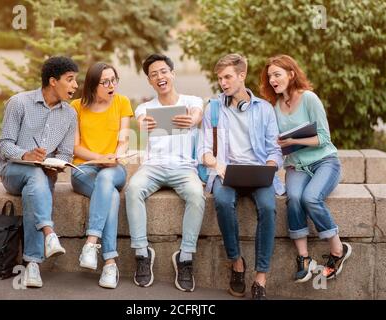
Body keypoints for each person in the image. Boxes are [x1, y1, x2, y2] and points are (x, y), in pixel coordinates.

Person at [259, 54, 351, 284]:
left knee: (310, 198)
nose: (272, 79)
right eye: (269, 76)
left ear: (291, 74)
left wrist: (291, 141)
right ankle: (304, 258)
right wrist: (278, 146)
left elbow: (323, 137)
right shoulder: (274, 107)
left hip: (324, 162)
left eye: (277, 74)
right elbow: (275, 146)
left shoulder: (309, 98)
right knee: (295, 197)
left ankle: (338, 250)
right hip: (296, 166)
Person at [199, 53, 284, 300]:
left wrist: (268, 169)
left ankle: (260, 277)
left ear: (242, 75)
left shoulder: (265, 109)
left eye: (227, 77)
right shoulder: (213, 109)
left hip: (258, 172)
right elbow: (204, 151)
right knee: (223, 202)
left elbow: (274, 150)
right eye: (220, 78)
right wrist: (219, 165)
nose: (223, 83)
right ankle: (237, 263)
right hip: (227, 173)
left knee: (268, 208)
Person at [125, 53, 205, 292]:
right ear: (150, 81)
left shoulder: (192, 101)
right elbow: (140, 121)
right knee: (133, 189)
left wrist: (191, 120)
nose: (159, 77)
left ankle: (186, 256)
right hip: (153, 167)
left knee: (196, 195)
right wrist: (141, 125)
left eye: (163, 72)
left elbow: (198, 114)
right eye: (153, 75)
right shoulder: (145, 107)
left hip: (184, 168)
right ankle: (142, 253)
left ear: (172, 74)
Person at [0, 56, 79, 288]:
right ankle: (48, 234)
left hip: (43, 175)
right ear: (53, 81)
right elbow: (4, 144)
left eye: (76, 80)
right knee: (34, 176)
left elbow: (65, 154)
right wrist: (26, 155)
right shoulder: (19, 103)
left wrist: (57, 164)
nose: (75, 86)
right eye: (70, 80)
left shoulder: (70, 114)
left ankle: (33, 266)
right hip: (12, 171)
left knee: (37, 180)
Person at [70, 62, 133, 289]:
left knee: (106, 179)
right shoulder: (76, 106)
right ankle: (109, 263)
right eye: (105, 82)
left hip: (114, 168)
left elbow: (124, 140)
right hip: (84, 170)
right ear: (92, 85)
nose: (111, 85)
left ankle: (90, 243)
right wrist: (99, 157)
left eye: (113, 80)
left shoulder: (122, 102)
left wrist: (116, 156)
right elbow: (75, 148)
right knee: (112, 197)